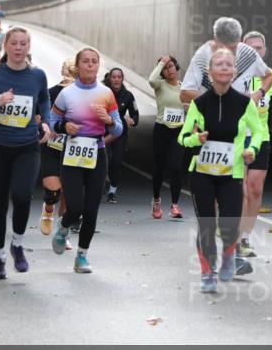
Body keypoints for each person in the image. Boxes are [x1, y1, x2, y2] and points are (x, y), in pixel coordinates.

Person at [180, 48, 263, 293]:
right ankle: (207, 273)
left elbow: (257, 131)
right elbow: (184, 137)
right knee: (206, 224)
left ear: (235, 71)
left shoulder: (244, 103)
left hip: (232, 173)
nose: (225, 68)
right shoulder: (199, 103)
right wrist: (197, 139)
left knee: (229, 223)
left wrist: (253, 149)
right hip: (202, 173)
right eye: (219, 64)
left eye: (229, 64)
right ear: (210, 72)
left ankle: (228, 254)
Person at [0, 27, 51, 279]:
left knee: (22, 195)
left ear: (28, 47)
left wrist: (46, 122)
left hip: (27, 147)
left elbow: (44, 101)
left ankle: (17, 244)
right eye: (14, 43)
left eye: (23, 43)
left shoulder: (38, 76)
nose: (18, 48)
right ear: (5, 45)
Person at [50, 47, 123, 273]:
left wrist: (109, 122)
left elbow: (119, 129)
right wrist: (64, 126)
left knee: (91, 210)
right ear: (78, 66)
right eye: (86, 61)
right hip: (72, 155)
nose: (90, 65)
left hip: (97, 154)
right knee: (75, 207)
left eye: (94, 61)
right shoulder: (67, 94)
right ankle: (63, 229)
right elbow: (53, 122)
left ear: (98, 66)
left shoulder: (106, 94)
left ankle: (82, 257)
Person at [237, 31, 272, 261]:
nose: (255, 51)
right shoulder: (234, 73)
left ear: (265, 51)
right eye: (250, 48)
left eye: (259, 48)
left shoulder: (271, 76)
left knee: (255, 190)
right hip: (236, 138)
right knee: (240, 190)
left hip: (260, 138)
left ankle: (245, 237)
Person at [180, 17, 272, 104]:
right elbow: (184, 94)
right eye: (223, 48)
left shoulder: (248, 53)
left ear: (239, 40)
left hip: (242, 119)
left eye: (233, 48)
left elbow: (269, 76)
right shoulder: (202, 56)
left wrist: (258, 94)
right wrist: (221, 100)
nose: (227, 53)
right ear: (215, 39)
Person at [38, 60, 76, 250]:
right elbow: (40, 114)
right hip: (52, 147)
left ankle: (63, 232)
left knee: (69, 195)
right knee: (54, 191)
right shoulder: (52, 92)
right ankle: (48, 208)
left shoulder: (88, 94)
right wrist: (47, 126)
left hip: (74, 150)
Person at [148, 55, 185, 219]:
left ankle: (175, 205)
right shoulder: (159, 85)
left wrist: (188, 107)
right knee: (159, 168)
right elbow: (151, 79)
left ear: (176, 68)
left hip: (178, 130)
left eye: (171, 66)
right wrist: (162, 61)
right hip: (162, 129)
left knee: (176, 166)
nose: (168, 70)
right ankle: (156, 201)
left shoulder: (184, 87)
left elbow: (193, 106)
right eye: (165, 68)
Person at [102, 67, 139, 204]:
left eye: (119, 77)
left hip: (119, 131)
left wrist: (133, 120)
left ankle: (112, 192)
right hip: (103, 129)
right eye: (114, 77)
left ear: (122, 79)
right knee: (103, 159)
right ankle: (102, 180)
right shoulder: (103, 93)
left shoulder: (128, 95)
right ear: (110, 79)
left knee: (116, 161)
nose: (116, 79)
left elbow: (135, 113)